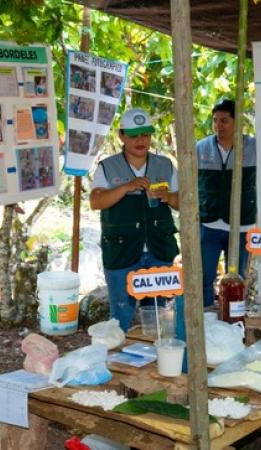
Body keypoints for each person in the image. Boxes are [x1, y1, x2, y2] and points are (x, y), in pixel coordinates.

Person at [90, 108, 180, 331]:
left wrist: (168, 197)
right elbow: (96, 201)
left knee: (159, 317)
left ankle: (157, 361)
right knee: (120, 317)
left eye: (145, 135)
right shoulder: (107, 166)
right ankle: (118, 360)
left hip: (160, 250)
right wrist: (127, 187)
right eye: (134, 135)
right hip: (122, 252)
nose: (141, 140)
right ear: (121, 136)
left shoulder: (165, 165)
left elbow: (183, 202)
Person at [196, 99, 257, 307]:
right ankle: (205, 317)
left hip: (242, 224)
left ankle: (234, 319)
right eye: (215, 121)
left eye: (224, 121)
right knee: (204, 276)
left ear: (237, 122)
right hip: (209, 224)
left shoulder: (253, 146)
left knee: (237, 279)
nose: (218, 126)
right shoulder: (201, 147)